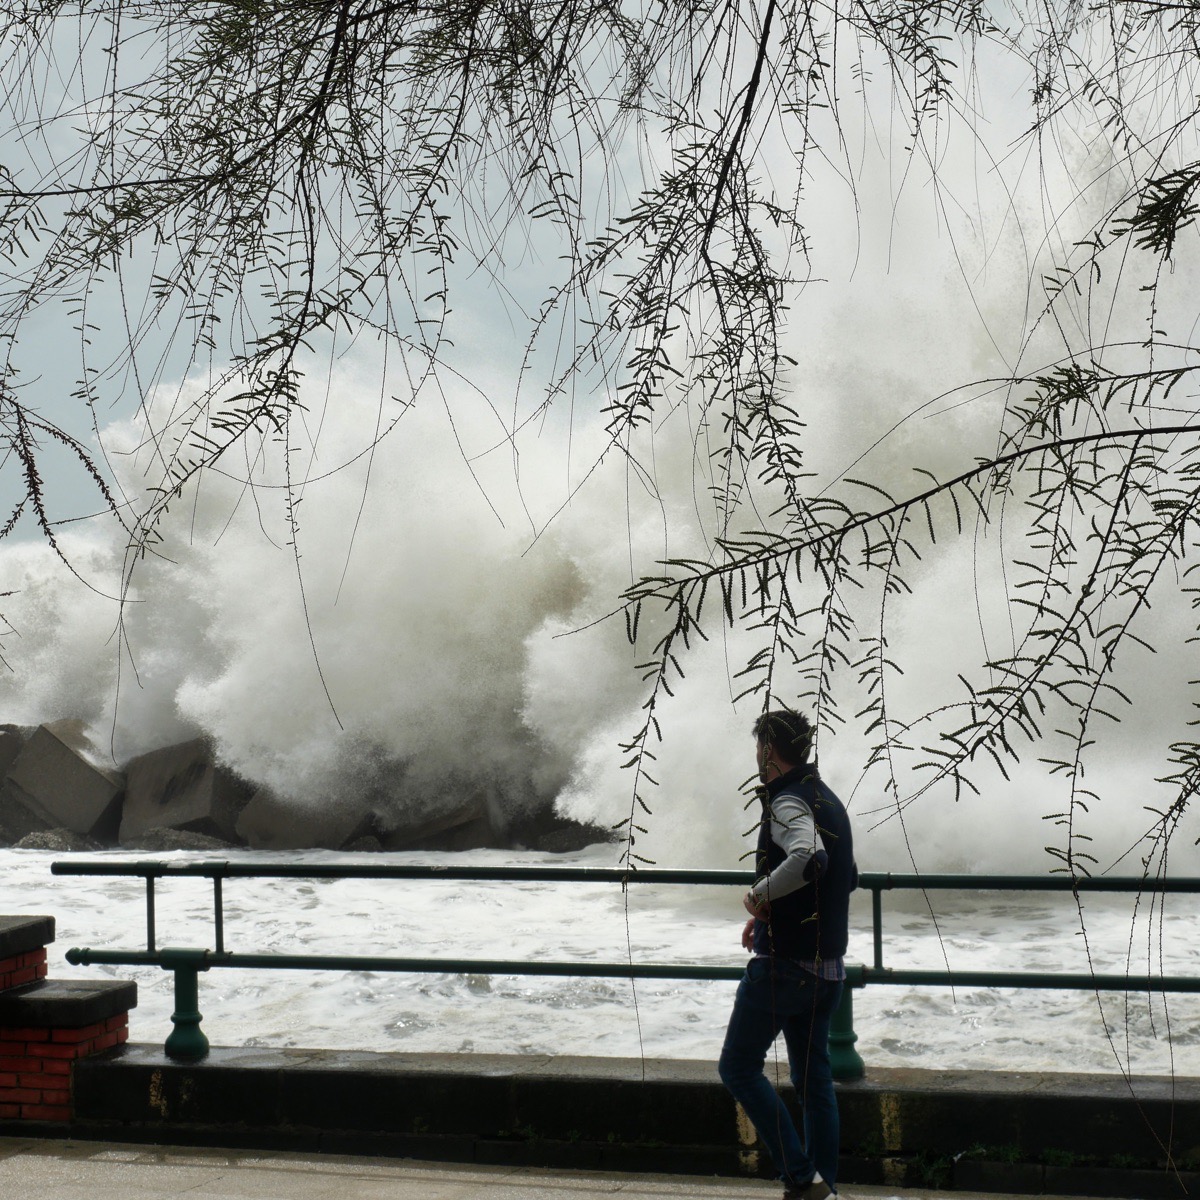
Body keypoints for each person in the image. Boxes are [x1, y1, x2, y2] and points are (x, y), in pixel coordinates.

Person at [718, 710, 858, 1200]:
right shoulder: (829, 800)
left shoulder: (787, 801)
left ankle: (802, 1178)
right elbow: (846, 875)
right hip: (827, 970)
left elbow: (808, 858)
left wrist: (760, 895)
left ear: (769, 751)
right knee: (813, 1082)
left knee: (737, 1067)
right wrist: (775, 911)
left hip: (787, 969)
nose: (756, 757)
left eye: (759, 749)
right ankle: (822, 1189)